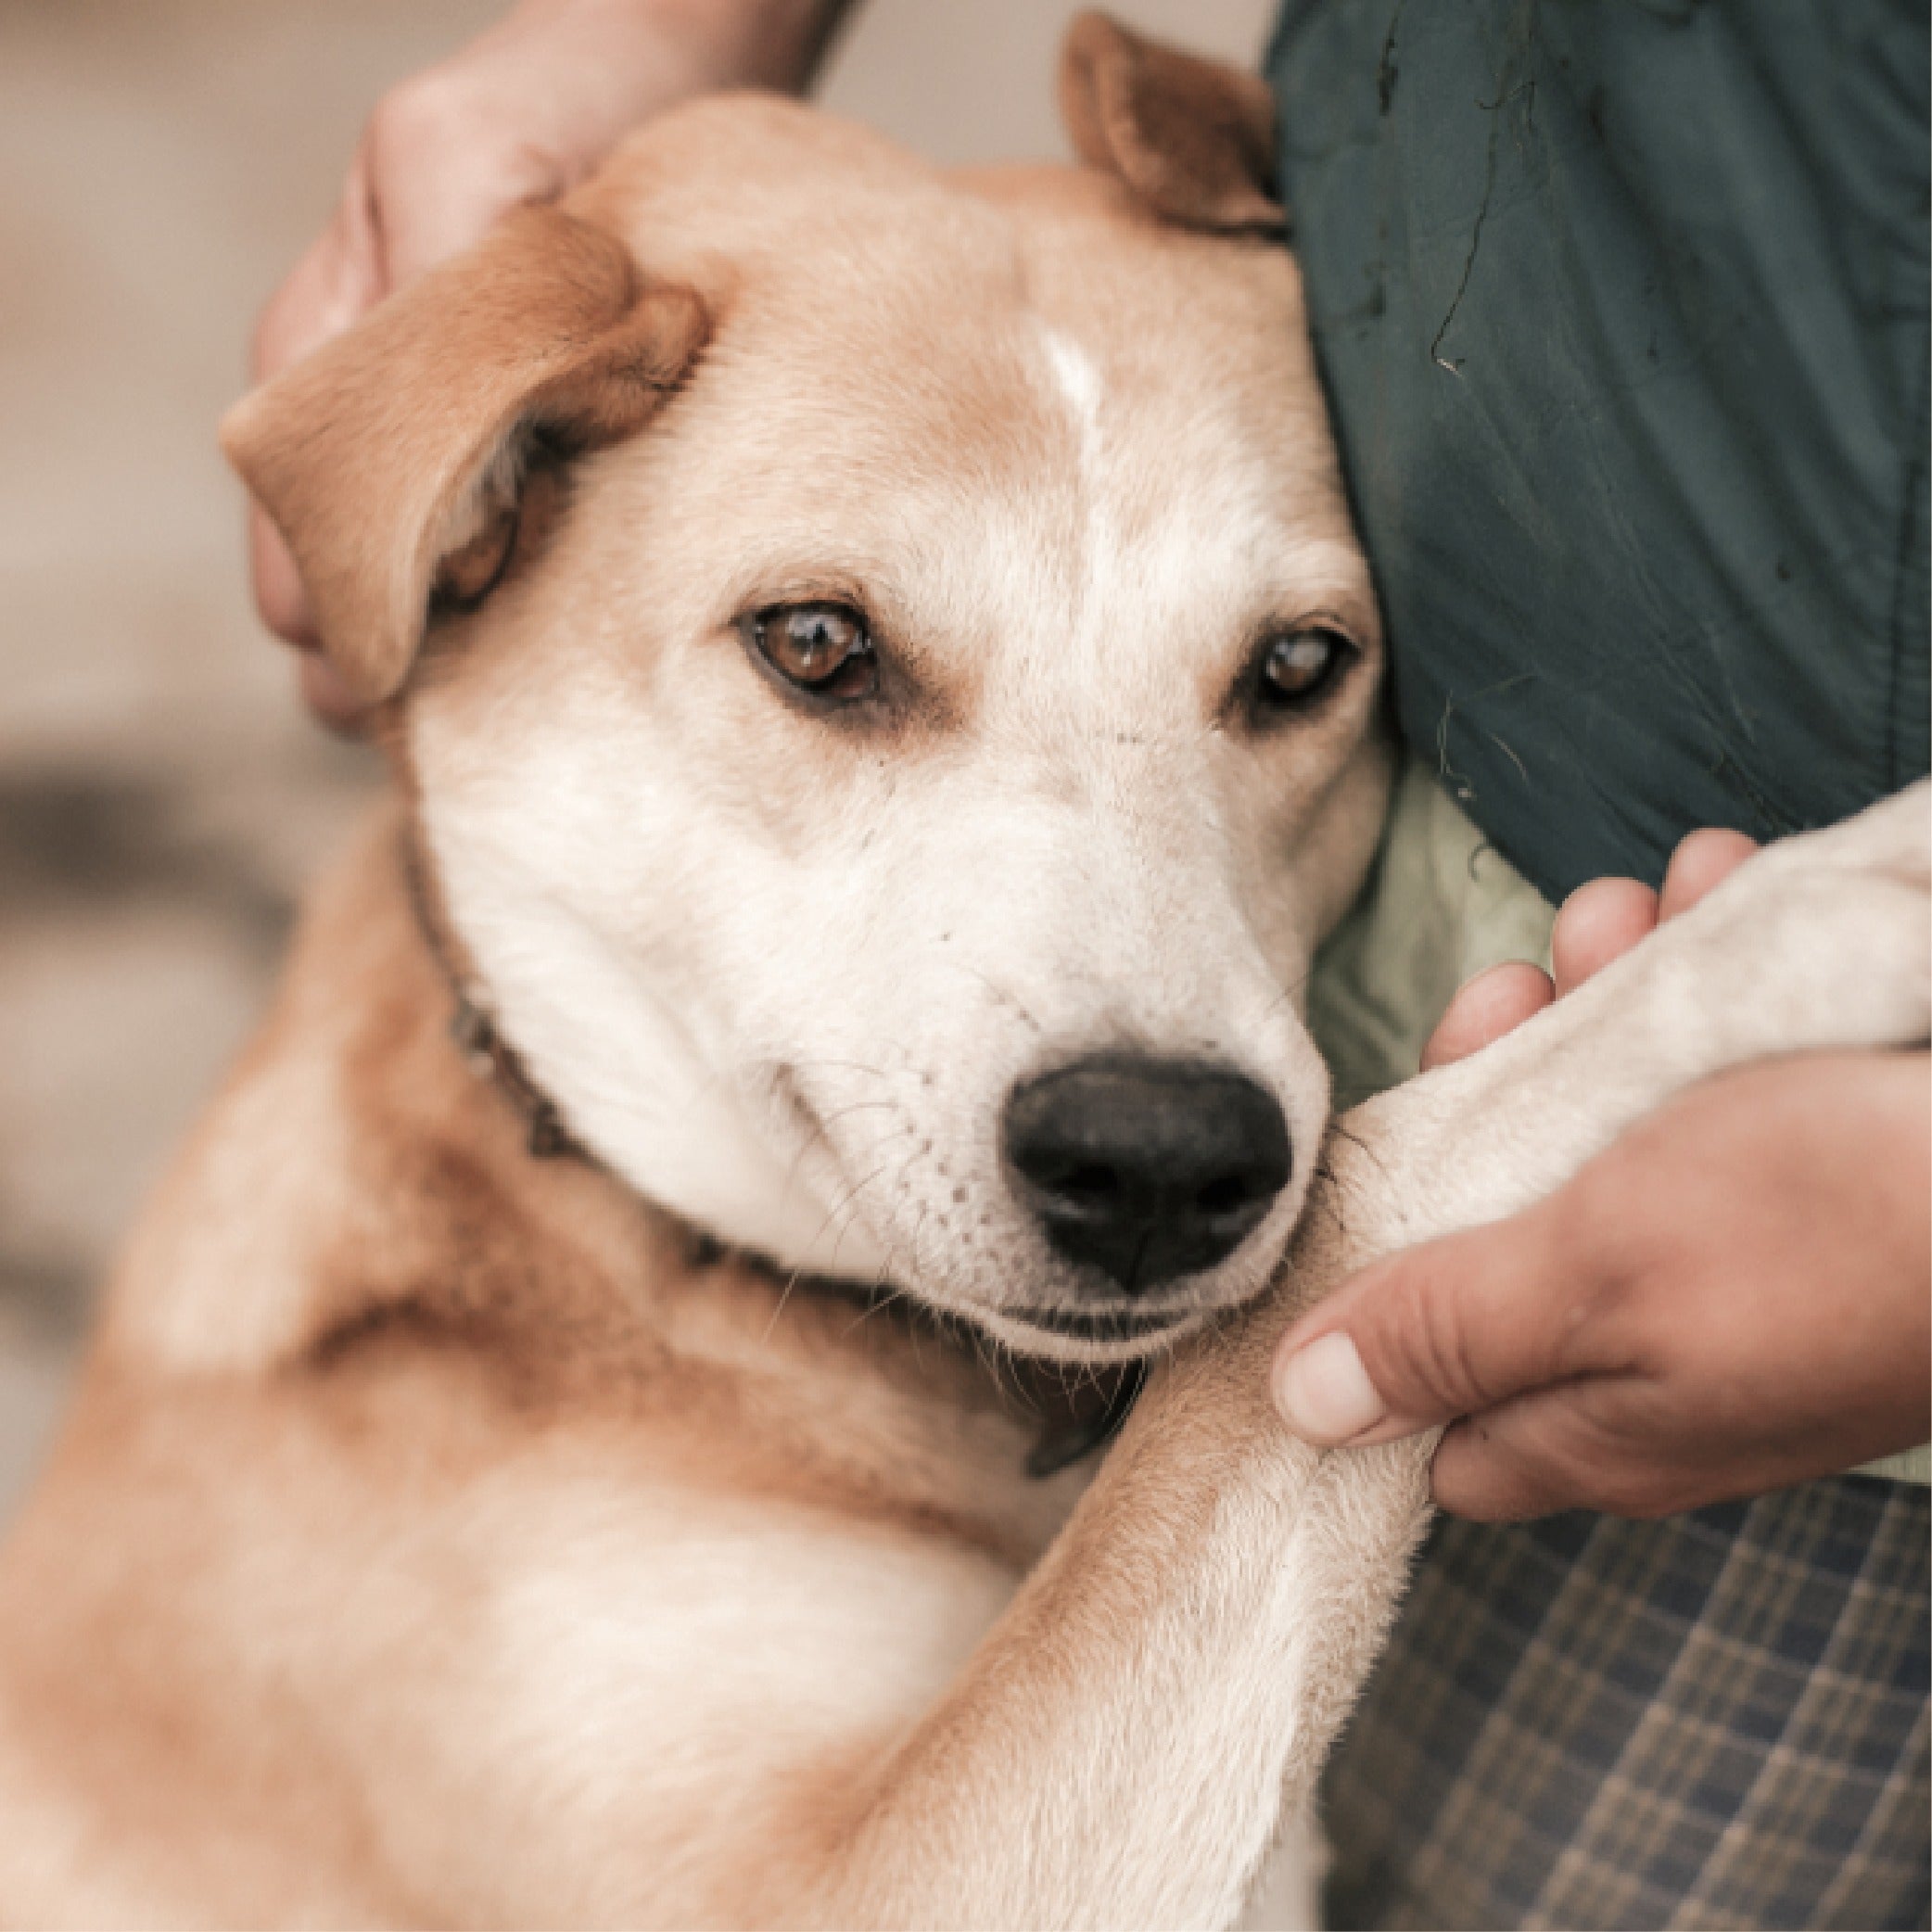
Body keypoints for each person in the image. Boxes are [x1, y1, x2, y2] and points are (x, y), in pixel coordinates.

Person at [243, 3, 1931, 1924]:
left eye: (1280, 673)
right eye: (827, 652)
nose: (1136, 1036)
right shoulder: (357, 1413)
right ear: (484, 517)